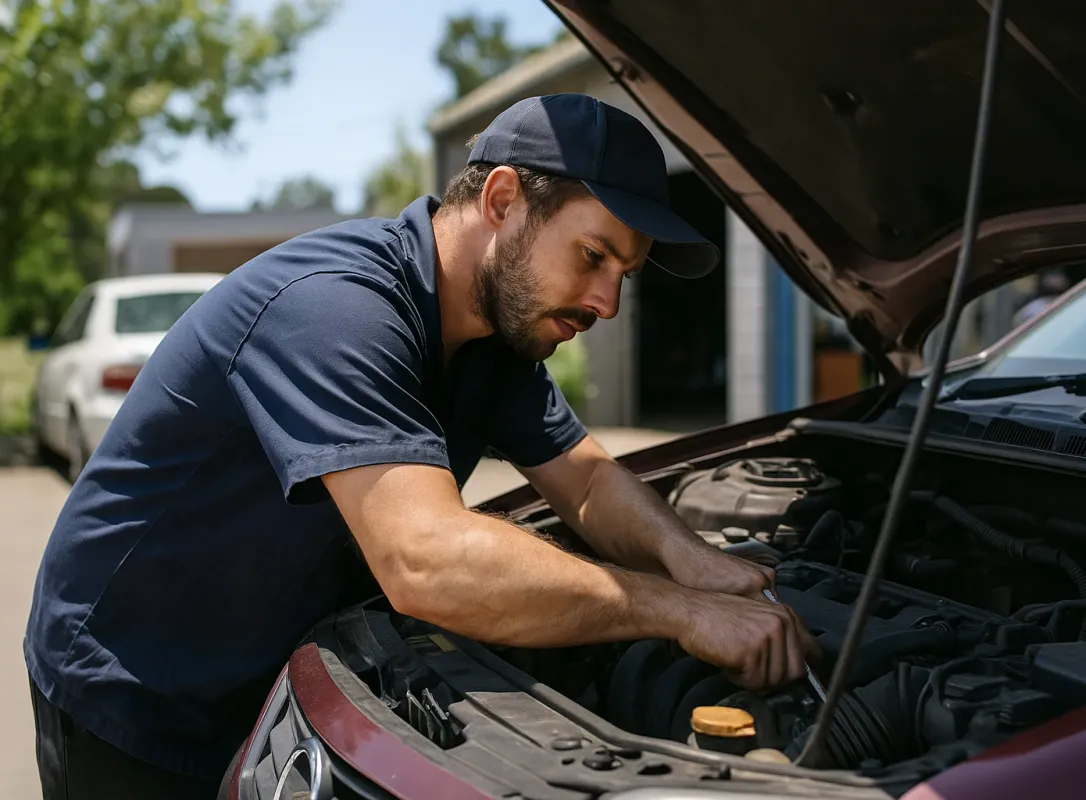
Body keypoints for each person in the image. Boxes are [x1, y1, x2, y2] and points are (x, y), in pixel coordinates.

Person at [24, 93, 817, 798]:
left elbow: (585, 480)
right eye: (593, 256)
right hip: (134, 686)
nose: (607, 301)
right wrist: (676, 611)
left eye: (626, 275)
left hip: (266, 667)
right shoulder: (336, 310)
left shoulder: (496, 341)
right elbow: (425, 561)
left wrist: (695, 563)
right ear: (504, 200)